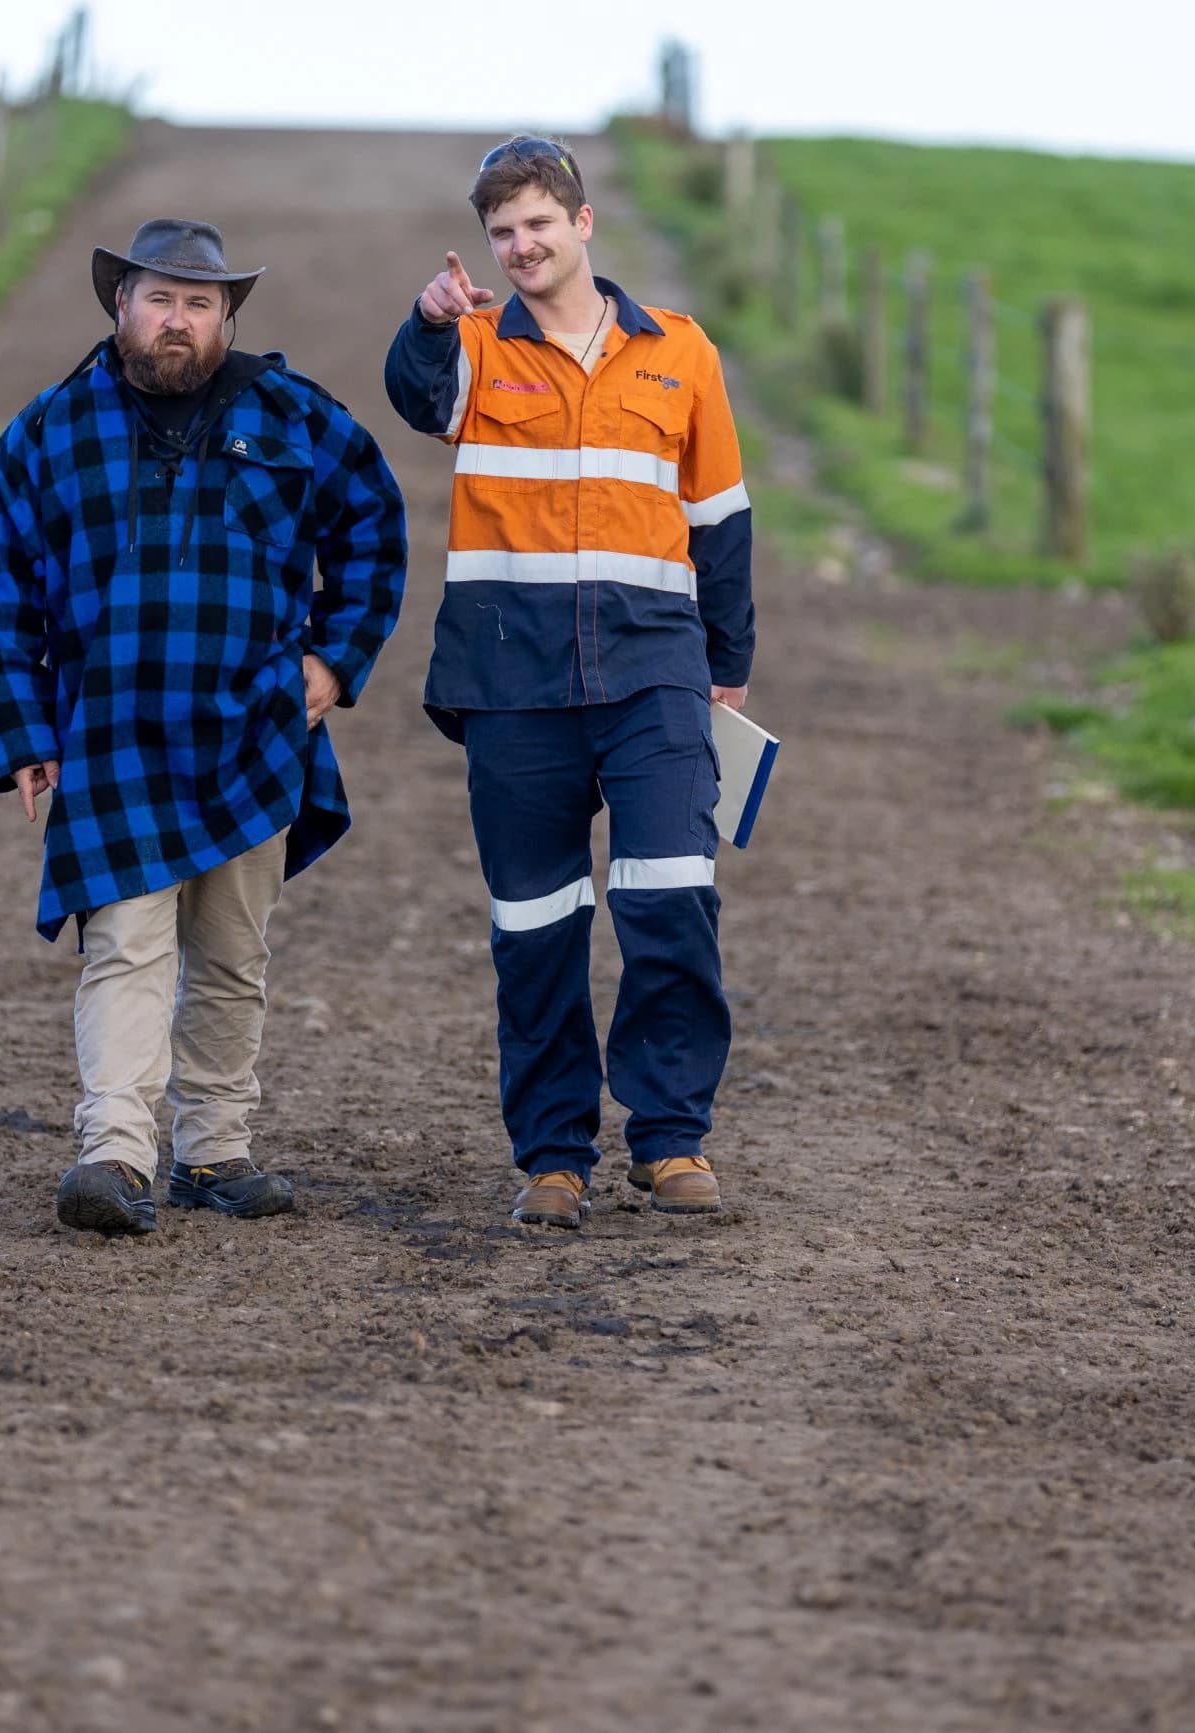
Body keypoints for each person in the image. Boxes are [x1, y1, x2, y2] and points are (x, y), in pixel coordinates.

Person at [0, 217, 409, 1237]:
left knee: (231, 949)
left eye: (199, 304)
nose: (178, 321)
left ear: (226, 316)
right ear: (119, 305)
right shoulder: (49, 430)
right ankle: (113, 1151)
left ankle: (212, 1151)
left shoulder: (291, 414)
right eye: (159, 299)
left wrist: (334, 657)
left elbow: (374, 523)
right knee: (123, 941)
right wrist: (24, 733)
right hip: (110, 730)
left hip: (255, 727)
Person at [382, 138, 755, 1230]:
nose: (520, 247)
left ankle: (671, 1137)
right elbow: (413, 396)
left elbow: (720, 518)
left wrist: (725, 666)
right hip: (511, 680)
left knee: (670, 895)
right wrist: (425, 317)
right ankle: (552, 1156)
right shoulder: (474, 347)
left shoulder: (680, 354)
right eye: (502, 234)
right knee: (537, 923)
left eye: (537, 225)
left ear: (582, 224)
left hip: (654, 671)